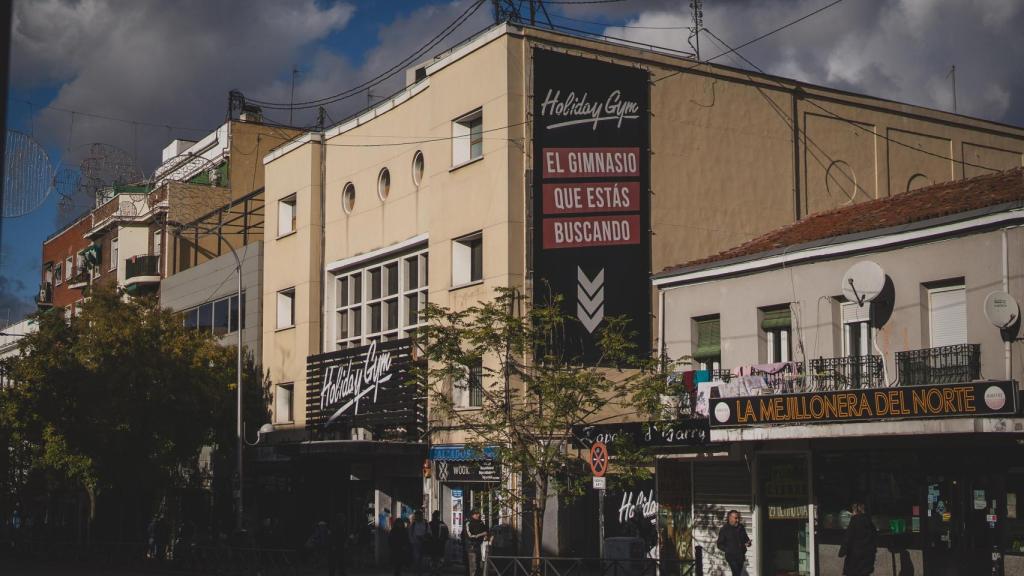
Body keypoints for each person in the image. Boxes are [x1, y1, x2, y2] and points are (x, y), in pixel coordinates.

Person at [840, 502, 877, 576]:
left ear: (856, 509)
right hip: (867, 557)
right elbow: (874, 537)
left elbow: (848, 537)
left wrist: (842, 552)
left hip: (855, 557)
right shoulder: (869, 521)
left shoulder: (854, 520)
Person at [716, 510, 751, 576]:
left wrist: (748, 543)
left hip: (740, 556)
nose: (737, 520)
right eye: (736, 518)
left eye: (738, 518)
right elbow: (719, 544)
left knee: (737, 573)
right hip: (731, 556)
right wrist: (728, 549)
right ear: (730, 518)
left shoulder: (741, 527)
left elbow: (746, 539)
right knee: (736, 573)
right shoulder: (724, 529)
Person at [464, 509, 489, 576]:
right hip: (471, 546)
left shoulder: (481, 522)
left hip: (480, 546)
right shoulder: (468, 523)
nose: (478, 515)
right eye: (476, 514)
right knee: (473, 565)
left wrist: (486, 535)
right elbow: (469, 535)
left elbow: (486, 530)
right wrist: (481, 534)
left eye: (478, 513)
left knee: (480, 564)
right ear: (472, 515)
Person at [426, 510, 450, 576]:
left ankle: (435, 570)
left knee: (435, 558)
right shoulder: (438, 524)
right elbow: (446, 535)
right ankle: (436, 570)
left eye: (435, 516)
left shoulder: (432, 524)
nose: (435, 517)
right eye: (434, 516)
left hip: (436, 543)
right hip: (436, 544)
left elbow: (446, 535)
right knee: (436, 558)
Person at [408, 511, 428, 576]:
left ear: (421, 516)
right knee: (416, 559)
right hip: (415, 544)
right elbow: (410, 534)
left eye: (419, 516)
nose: (417, 517)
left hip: (424, 544)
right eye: (416, 516)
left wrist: (424, 538)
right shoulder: (413, 524)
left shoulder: (426, 524)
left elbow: (429, 533)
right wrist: (413, 542)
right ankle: (417, 572)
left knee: (423, 559)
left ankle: (421, 572)